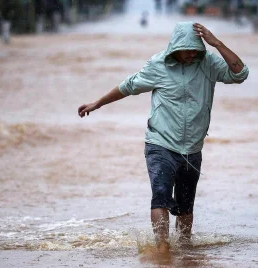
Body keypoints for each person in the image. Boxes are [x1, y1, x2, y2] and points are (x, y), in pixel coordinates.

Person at [77, 22, 249, 253]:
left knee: (185, 206)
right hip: (160, 143)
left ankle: (185, 250)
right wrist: (97, 103)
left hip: (192, 148)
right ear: (175, 47)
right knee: (160, 195)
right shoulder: (158, 65)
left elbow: (240, 74)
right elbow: (128, 86)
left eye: (195, 49)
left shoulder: (208, 63)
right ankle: (162, 249)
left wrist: (216, 43)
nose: (191, 54)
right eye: (187, 49)